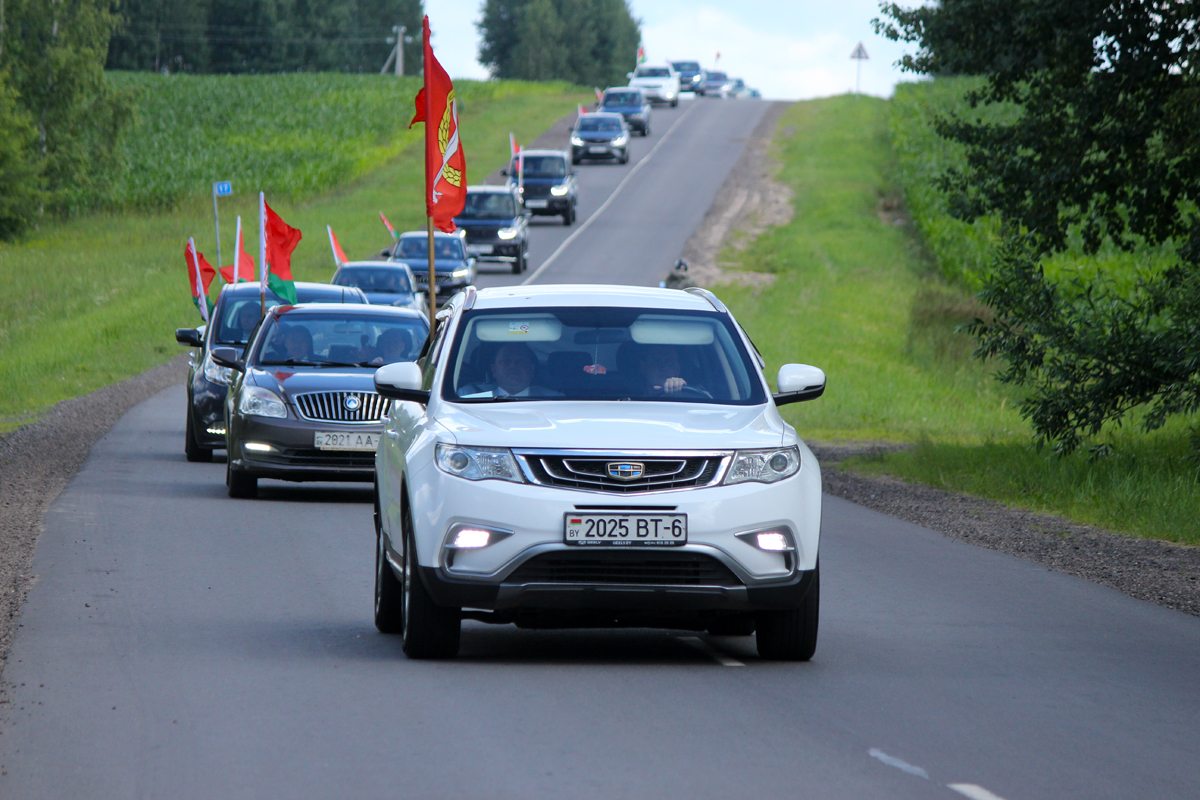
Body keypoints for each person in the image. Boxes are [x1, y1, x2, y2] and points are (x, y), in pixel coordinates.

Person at [459, 342, 560, 398]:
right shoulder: (469, 395)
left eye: (520, 361)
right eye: (505, 361)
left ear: (532, 369)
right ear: (494, 370)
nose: (513, 365)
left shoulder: (554, 398)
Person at [636, 345, 703, 396]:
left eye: (669, 362)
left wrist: (684, 392)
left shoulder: (695, 397)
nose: (663, 367)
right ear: (643, 367)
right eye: (656, 362)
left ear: (678, 368)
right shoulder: (629, 400)